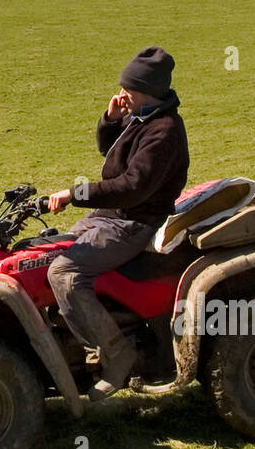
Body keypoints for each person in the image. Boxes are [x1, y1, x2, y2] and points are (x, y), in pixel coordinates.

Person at [45, 46, 189, 400]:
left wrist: (73, 194)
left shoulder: (164, 130)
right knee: (46, 251)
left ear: (145, 90)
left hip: (135, 222)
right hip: (111, 215)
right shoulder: (142, 116)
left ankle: (116, 353)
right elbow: (111, 153)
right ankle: (71, 347)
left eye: (128, 90)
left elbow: (131, 187)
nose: (122, 94)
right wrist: (110, 120)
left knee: (63, 272)